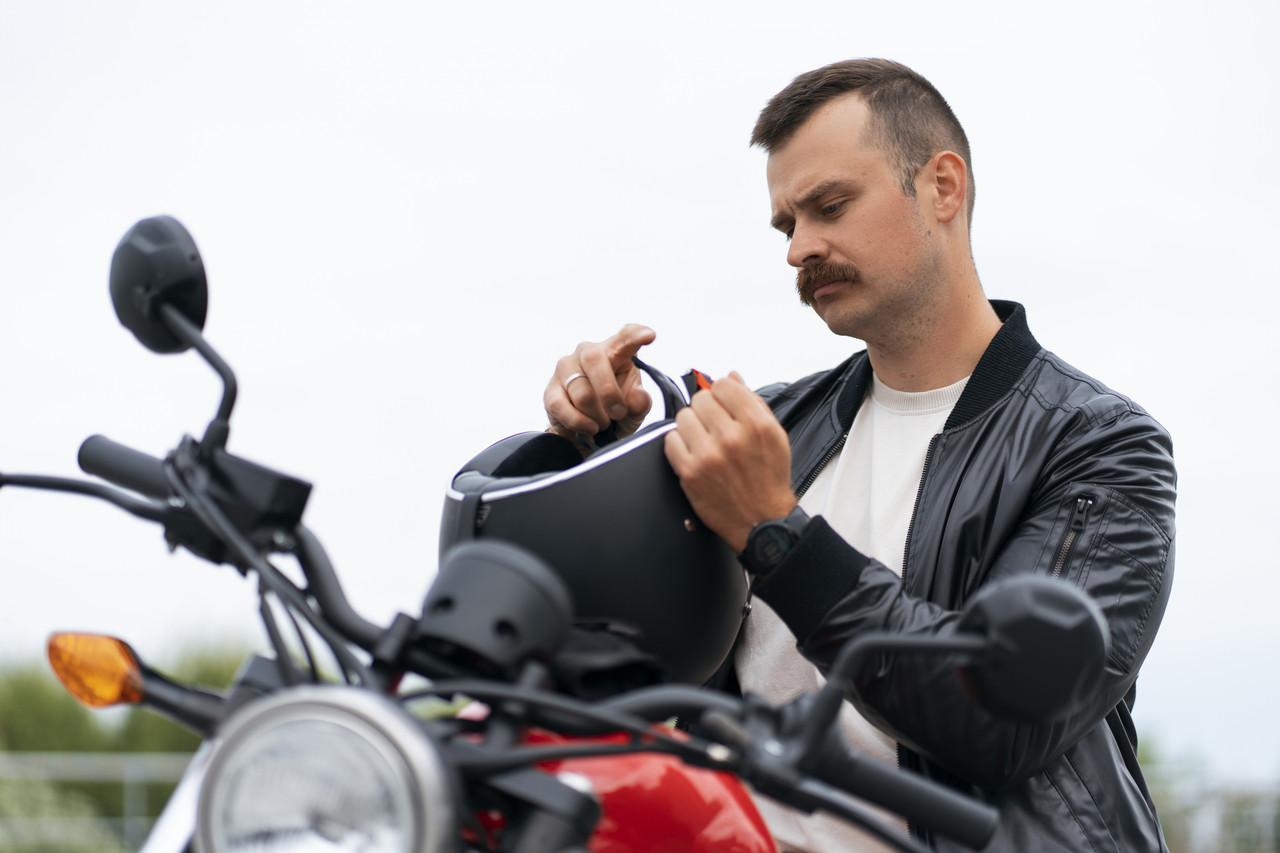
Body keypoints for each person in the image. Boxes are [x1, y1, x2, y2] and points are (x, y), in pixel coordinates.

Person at [542, 59, 1176, 852]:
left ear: (943, 187)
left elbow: (1003, 723)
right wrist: (595, 447)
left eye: (830, 206)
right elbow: (619, 638)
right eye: (786, 226)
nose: (799, 247)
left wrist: (775, 531)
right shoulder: (775, 425)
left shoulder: (1101, 444)